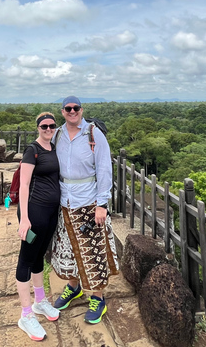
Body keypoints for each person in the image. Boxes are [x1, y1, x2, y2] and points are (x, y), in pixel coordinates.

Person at [50, 95, 119, 324]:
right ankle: (74, 287)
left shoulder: (92, 133)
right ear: (62, 112)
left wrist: (102, 205)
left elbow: (104, 169)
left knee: (93, 250)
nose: (72, 112)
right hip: (64, 200)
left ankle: (98, 298)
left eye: (75, 108)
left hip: (88, 200)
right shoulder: (58, 134)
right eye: (67, 109)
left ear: (81, 110)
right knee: (68, 248)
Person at [15, 112, 62, 341]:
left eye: (52, 125)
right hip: (34, 212)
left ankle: (40, 301)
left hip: (50, 213)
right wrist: (24, 218)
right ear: (38, 127)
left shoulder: (54, 148)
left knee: (38, 256)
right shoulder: (32, 150)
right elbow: (24, 185)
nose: (48, 129)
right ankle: (25, 314)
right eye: (44, 126)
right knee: (26, 258)